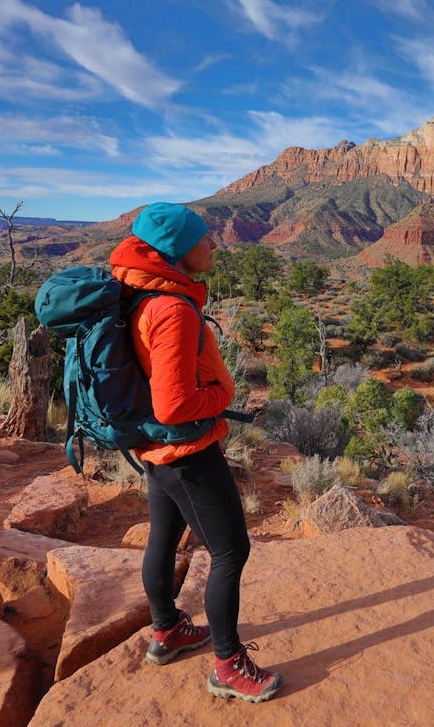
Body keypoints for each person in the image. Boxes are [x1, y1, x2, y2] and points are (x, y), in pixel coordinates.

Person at [109, 202, 281, 703]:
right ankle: (229, 666)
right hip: (187, 452)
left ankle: (167, 632)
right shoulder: (172, 309)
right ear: (178, 249)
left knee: (164, 536)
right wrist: (224, 399)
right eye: (205, 237)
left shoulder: (143, 293)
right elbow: (175, 404)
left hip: (157, 452)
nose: (214, 244)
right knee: (231, 551)